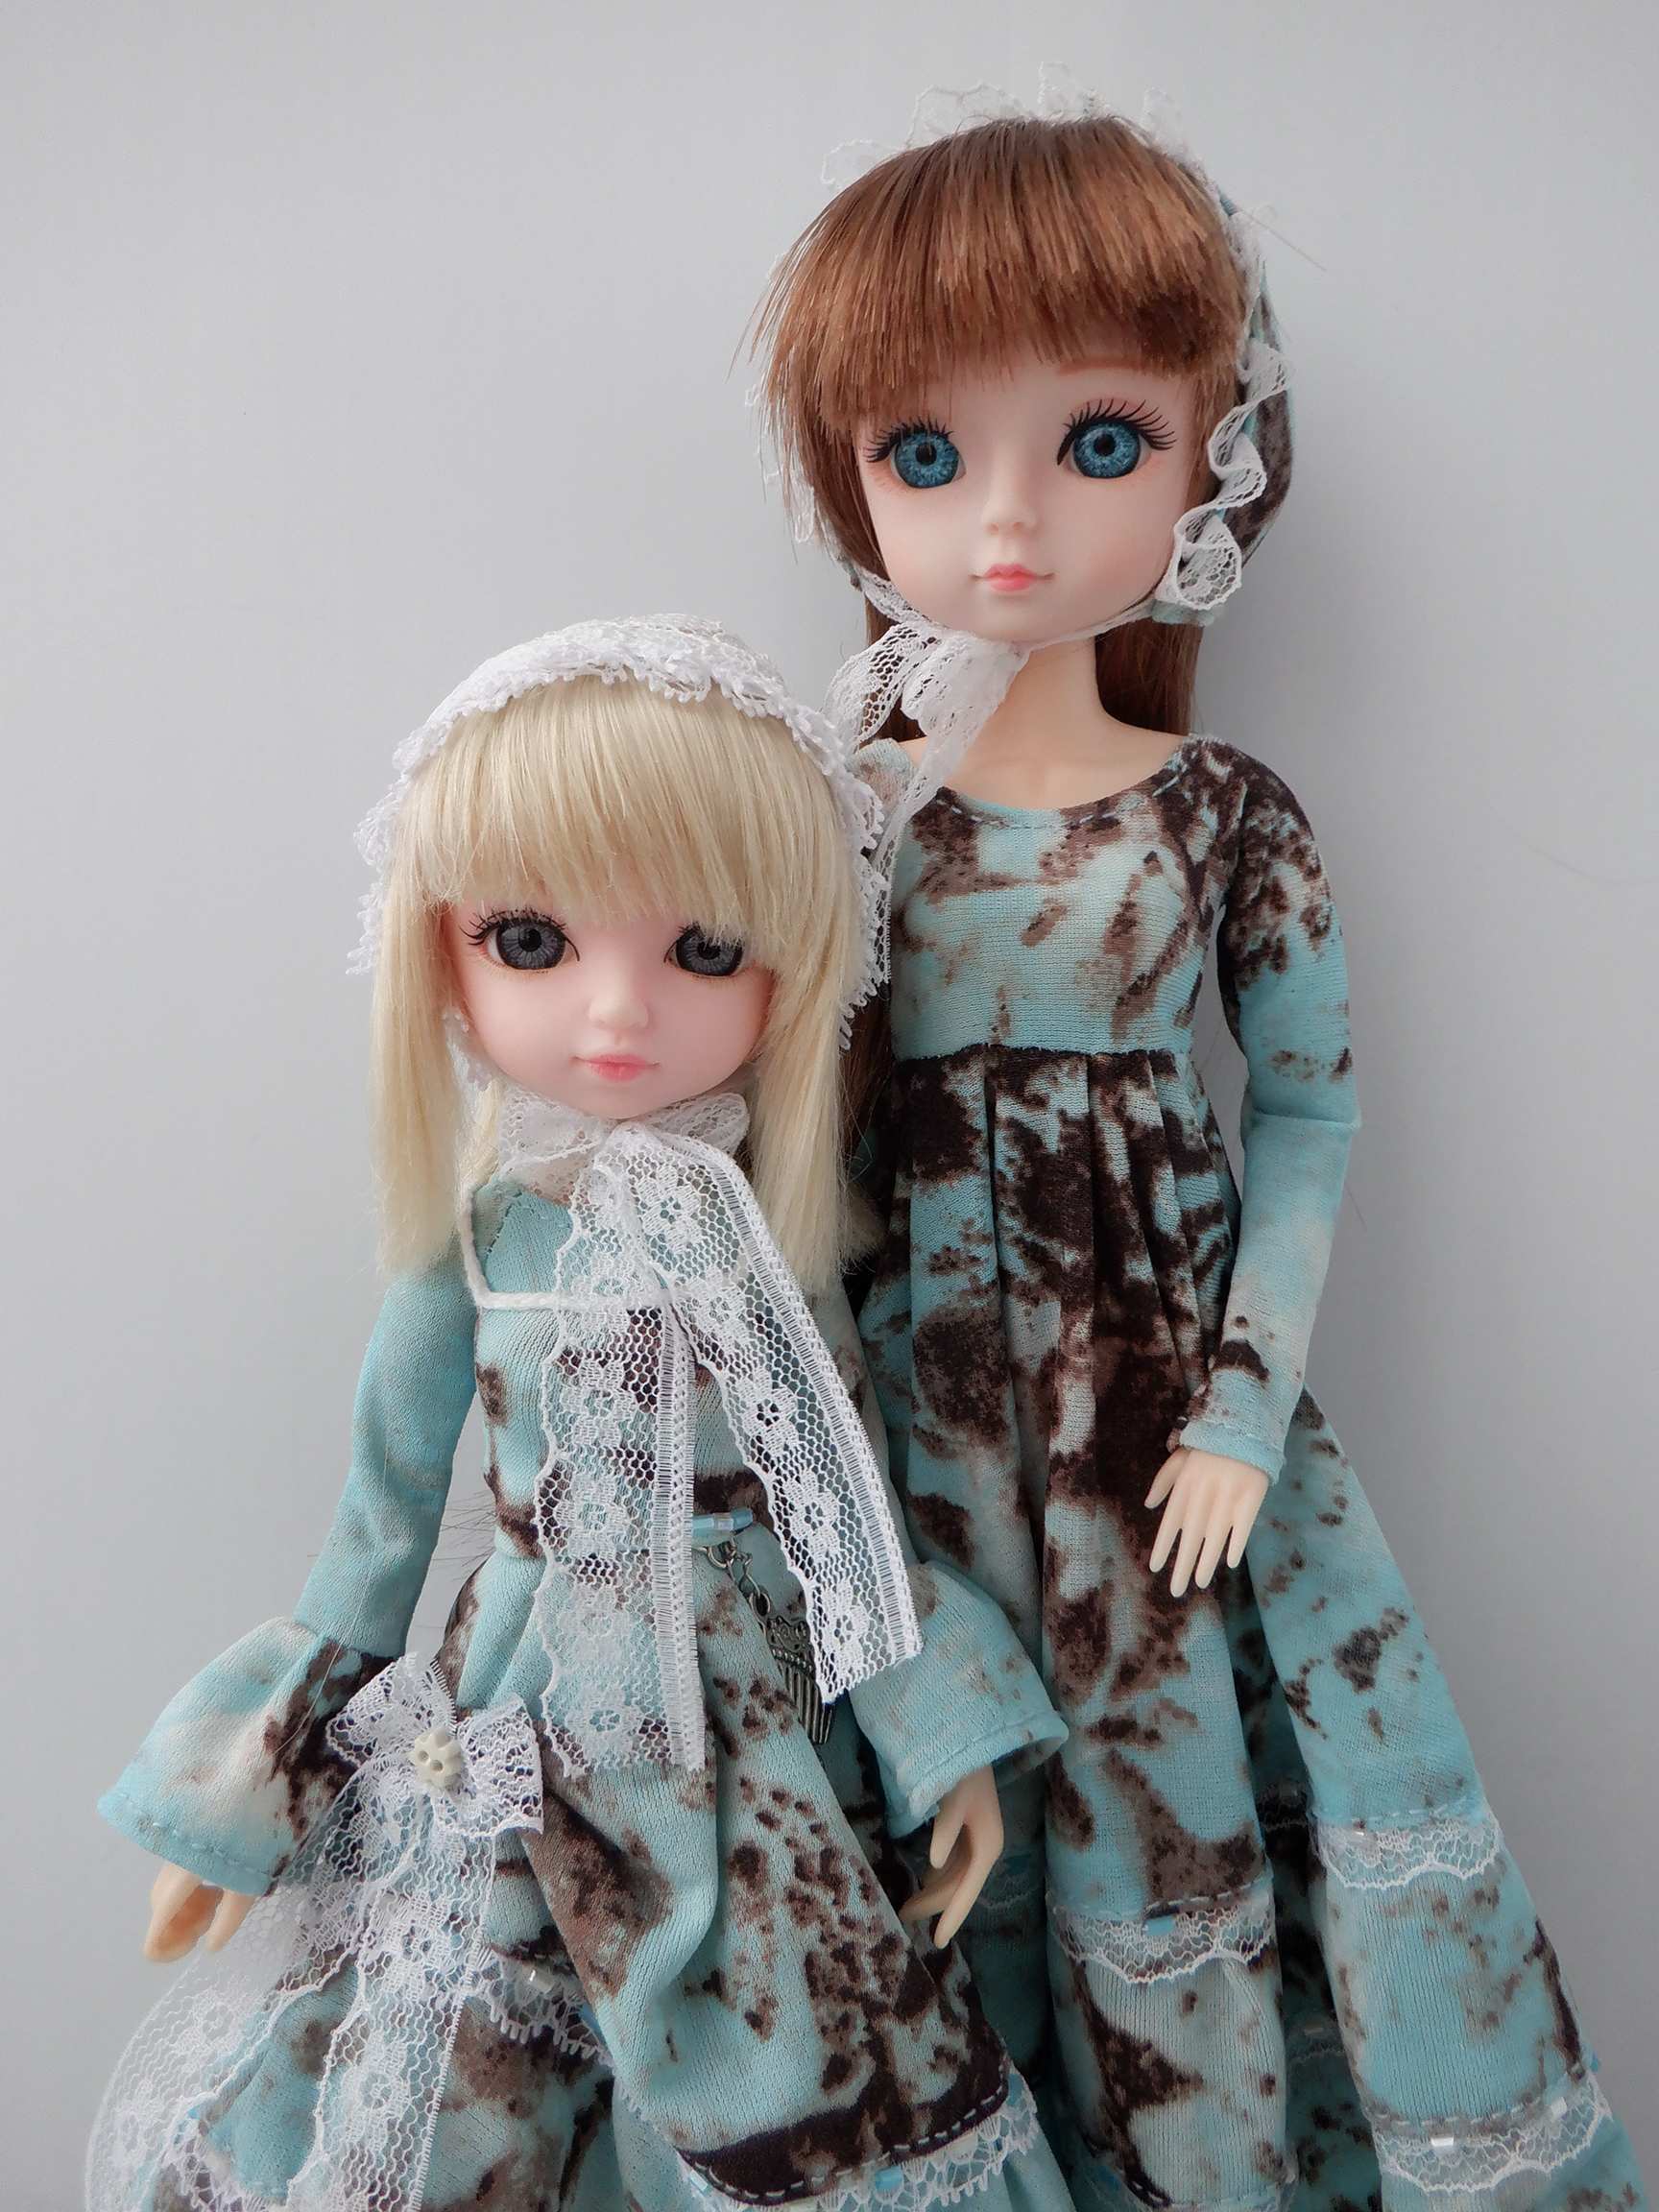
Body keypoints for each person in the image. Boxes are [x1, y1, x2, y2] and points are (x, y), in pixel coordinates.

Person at [752, 81, 1647, 2211]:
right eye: (923, 453)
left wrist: (1243, 1410)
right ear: (848, 480)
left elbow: (1313, 1107)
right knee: (932, 1834)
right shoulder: (835, 820)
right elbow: (785, 1135)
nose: (1009, 523)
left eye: (1099, 442)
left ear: (1213, 461)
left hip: (1163, 1430)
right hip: (912, 1430)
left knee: (1182, 1810)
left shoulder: (1223, 814)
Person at [87, 617, 1073, 2212]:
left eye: (705, 950)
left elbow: (842, 1512)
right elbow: (376, 1531)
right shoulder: (475, 1247)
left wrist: (934, 1740)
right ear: (440, 950)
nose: (618, 1015)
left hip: (749, 1735)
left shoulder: (757, 1241)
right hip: (521, 1716)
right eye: (532, 940)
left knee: (780, 2064)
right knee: (477, 2080)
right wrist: (249, 1794)